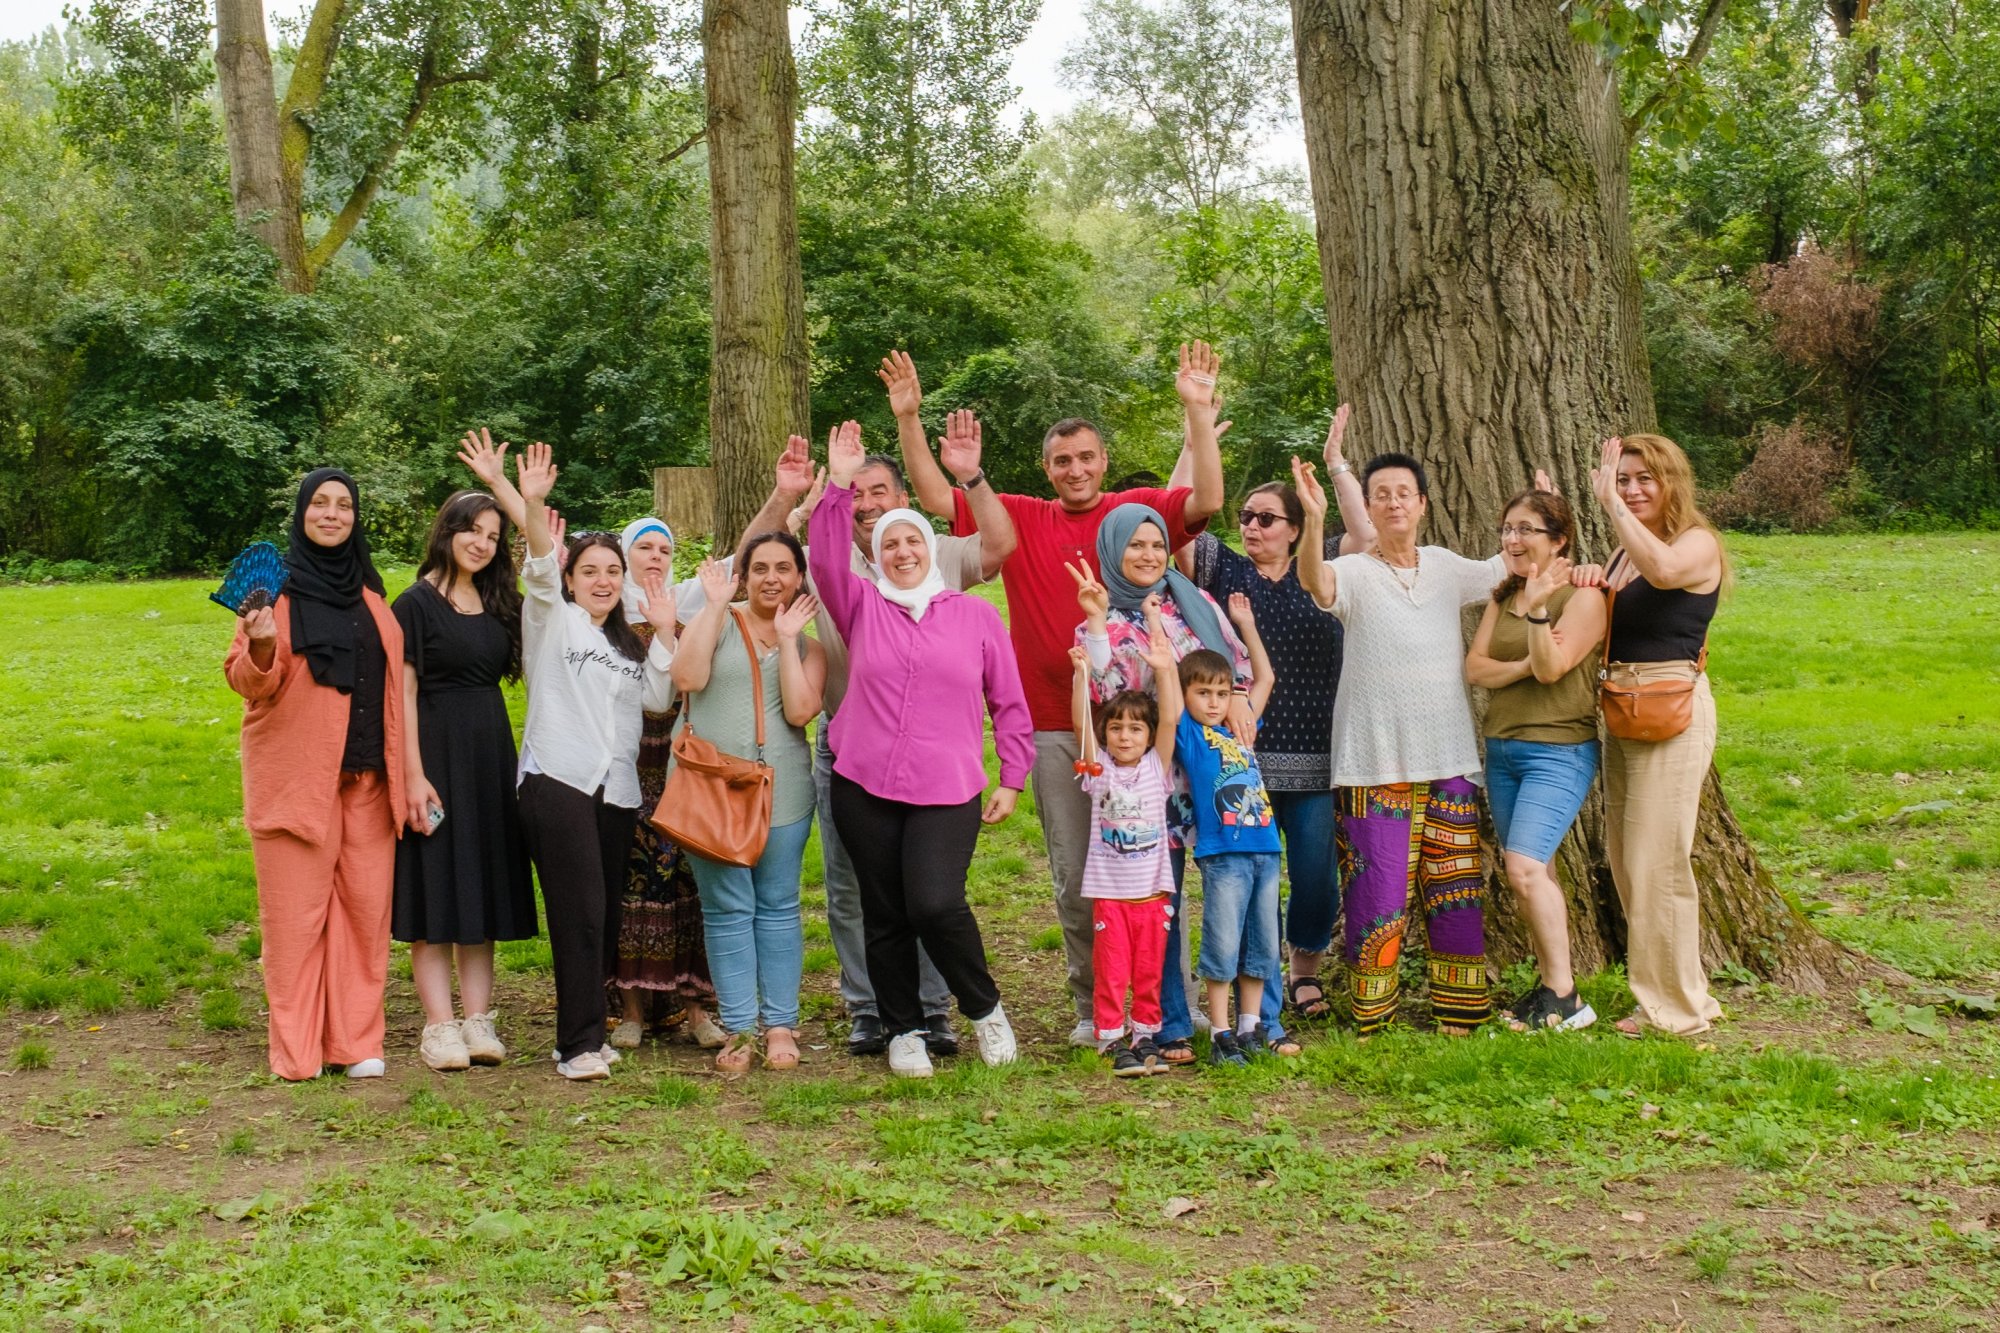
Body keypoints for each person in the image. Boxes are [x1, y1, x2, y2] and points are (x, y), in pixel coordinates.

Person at [899, 343, 1227, 1045]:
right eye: (1061, 461)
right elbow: (935, 500)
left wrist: (1197, 413)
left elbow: (1206, 500)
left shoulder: (1135, 513)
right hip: (1055, 726)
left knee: (1156, 867)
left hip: (1146, 731)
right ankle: (1093, 1004)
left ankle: (1170, 1000)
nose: (1074, 470)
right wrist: (910, 420)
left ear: (1103, 461)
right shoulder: (1022, 517)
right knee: (1079, 872)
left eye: (1085, 457)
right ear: (1046, 468)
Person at [810, 362, 1020, 1058]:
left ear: (930, 546)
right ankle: (900, 1028)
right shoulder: (861, 603)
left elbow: (1008, 700)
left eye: (912, 539)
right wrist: (836, 487)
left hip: (946, 781)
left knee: (935, 901)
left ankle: (982, 1009)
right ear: (876, 553)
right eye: (889, 543)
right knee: (883, 908)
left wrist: (1013, 774)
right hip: (862, 775)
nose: (901, 550)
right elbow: (825, 561)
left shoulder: (972, 614)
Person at [1294, 450, 1509, 1037]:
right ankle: (1374, 1016)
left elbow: (1504, 566)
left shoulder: (1445, 566)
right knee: (1377, 890)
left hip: (1449, 757)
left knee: (1454, 888)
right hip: (1372, 761)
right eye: (1381, 494)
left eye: (1403, 493)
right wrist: (1313, 519)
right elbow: (1315, 582)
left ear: (1422, 504)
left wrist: (1546, 511)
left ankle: (1460, 1011)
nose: (1393, 503)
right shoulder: (1354, 571)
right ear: (1368, 506)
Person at [1173, 404, 1372, 1029]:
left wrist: (1335, 469)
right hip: (1240, 758)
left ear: (1294, 527)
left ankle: (1303, 968)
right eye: (1246, 517)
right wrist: (1193, 442)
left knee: (1315, 879)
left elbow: (1365, 536)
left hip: (1315, 751)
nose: (1251, 526)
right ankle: (1245, 982)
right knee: (1247, 878)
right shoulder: (1224, 568)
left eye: (1265, 518)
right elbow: (1176, 523)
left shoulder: (1326, 564)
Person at [498, 442, 678, 1081]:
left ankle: (584, 1035)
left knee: (601, 916)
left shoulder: (625, 643)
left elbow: (658, 698)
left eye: (612, 572)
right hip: (558, 782)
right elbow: (539, 567)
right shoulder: (553, 621)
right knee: (577, 914)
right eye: (590, 571)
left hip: (616, 794)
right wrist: (531, 502)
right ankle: (577, 1046)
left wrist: (665, 630)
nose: (603, 581)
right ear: (571, 579)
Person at [224, 468, 404, 1081]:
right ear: (302, 514)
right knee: (294, 922)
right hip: (298, 779)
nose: (332, 514)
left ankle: (355, 1043)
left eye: (344, 505)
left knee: (364, 914)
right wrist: (262, 644)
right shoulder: (271, 596)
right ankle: (297, 1051)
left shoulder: (372, 595)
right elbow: (249, 684)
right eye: (320, 503)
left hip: (370, 780)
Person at [1069, 504, 1258, 1066]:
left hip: (1217, 777)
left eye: (1156, 544)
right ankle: (1169, 1021)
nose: (1149, 555)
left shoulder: (1192, 602)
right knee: (1162, 903)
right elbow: (1104, 693)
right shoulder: (1099, 618)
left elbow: (1234, 662)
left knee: (1236, 890)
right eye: (1135, 545)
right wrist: (1098, 623)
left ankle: (1250, 1017)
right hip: (1153, 782)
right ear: (1113, 551)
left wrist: (1239, 694)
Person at [1573, 434, 1728, 1038]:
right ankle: (1678, 996)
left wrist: (1609, 502)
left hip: (1672, 710)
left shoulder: (1695, 542)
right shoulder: (1624, 551)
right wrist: (1591, 578)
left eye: (1645, 479)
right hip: (1624, 708)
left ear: (1672, 483)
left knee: (1658, 862)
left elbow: (1664, 573)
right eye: (1624, 479)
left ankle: (1676, 1013)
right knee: (1630, 862)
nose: (1633, 490)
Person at [391, 467, 539, 1073]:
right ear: (447, 531)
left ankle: (478, 1020)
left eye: (493, 536)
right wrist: (412, 775)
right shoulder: (414, 605)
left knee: (480, 889)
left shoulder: (500, 602)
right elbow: (401, 696)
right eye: (472, 531)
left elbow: (551, 570)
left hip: (489, 756)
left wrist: (521, 499)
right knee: (436, 892)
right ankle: (438, 1025)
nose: (482, 543)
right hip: (433, 754)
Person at [669, 534, 826, 1074]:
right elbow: (686, 677)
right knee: (727, 908)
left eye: (784, 568)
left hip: (783, 795)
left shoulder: (809, 647)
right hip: (710, 791)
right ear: (744, 576)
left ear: (799, 577)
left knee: (778, 906)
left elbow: (801, 712)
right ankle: (739, 1029)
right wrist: (715, 606)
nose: (771, 578)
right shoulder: (717, 620)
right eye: (760, 568)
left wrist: (787, 639)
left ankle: (780, 1024)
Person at [1464, 487, 1606, 1032]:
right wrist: (1528, 659)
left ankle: (1567, 998)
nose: (1513, 539)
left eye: (1526, 529)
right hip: (1502, 749)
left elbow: (1553, 671)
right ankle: (1550, 987)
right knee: (1535, 870)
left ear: (1559, 540)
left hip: (1558, 751)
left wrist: (1542, 612)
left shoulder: (1583, 597)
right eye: (1508, 528)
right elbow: (1475, 669)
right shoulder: (1504, 595)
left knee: (1521, 869)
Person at [604, 515, 724, 1053]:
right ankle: (630, 1010)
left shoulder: (689, 609)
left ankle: (696, 1009)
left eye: (664, 549)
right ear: (625, 555)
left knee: (686, 882)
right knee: (630, 884)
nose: (655, 556)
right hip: (626, 761)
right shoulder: (607, 615)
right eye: (644, 547)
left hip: (679, 760)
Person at [1068, 623, 1182, 1078]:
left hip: (1152, 896)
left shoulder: (1157, 768)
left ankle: (1145, 1036)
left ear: (1148, 736)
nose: (1125, 736)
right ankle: (1113, 1039)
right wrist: (1080, 676)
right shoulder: (1098, 771)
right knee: (1112, 971)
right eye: (1116, 728)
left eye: (1135, 729)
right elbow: (1081, 724)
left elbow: (1170, 720)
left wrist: (1165, 671)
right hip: (1111, 898)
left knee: (1150, 970)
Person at [1173, 640, 1280, 1068]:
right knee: (1222, 943)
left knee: (1263, 945)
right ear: (1186, 695)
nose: (1214, 703)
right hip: (1224, 854)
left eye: (1221, 693)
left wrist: (1248, 627)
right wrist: (1159, 636)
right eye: (1203, 693)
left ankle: (1249, 1027)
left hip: (1267, 849)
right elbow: (1169, 692)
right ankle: (1221, 1033)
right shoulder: (1189, 733)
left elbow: (1265, 678)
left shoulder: (1240, 726)